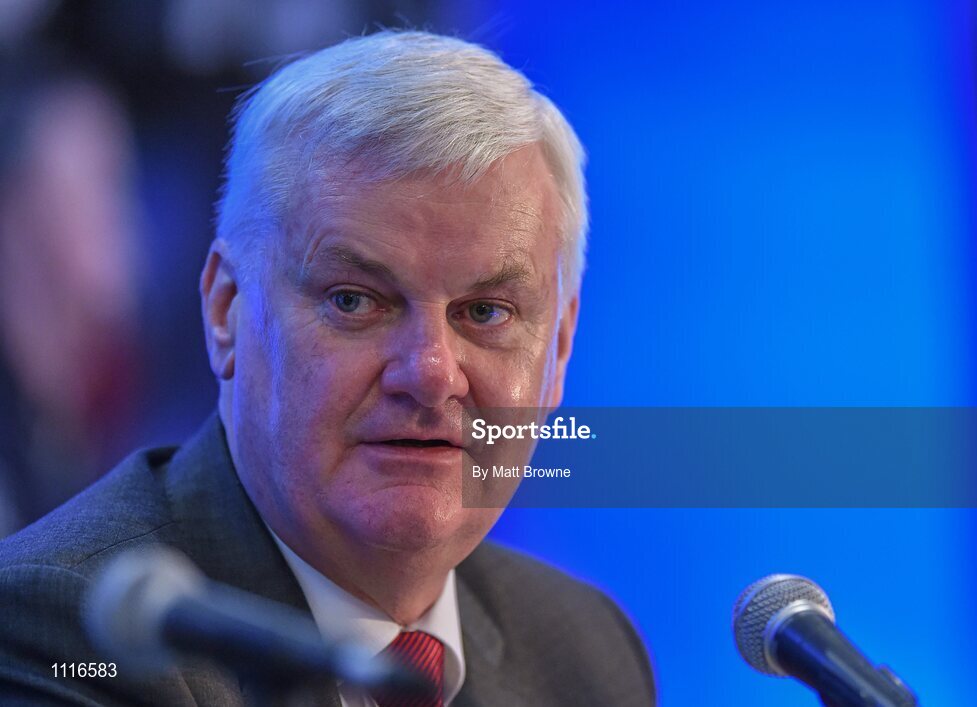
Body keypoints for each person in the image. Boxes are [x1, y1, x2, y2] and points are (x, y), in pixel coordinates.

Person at [0, 30, 655, 706]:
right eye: (355, 300)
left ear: (559, 351)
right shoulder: (65, 635)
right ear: (226, 311)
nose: (430, 372)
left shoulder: (584, 649)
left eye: (485, 312)